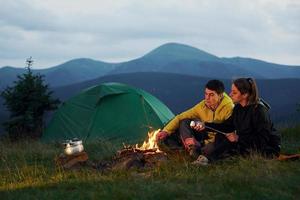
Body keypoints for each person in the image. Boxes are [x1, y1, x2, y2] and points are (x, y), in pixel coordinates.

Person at [193, 77, 281, 165]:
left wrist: (238, 138)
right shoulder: (238, 108)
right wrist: (205, 125)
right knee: (221, 136)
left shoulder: (258, 111)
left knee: (230, 144)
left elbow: (262, 140)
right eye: (231, 91)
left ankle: (208, 160)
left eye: (234, 92)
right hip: (246, 143)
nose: (230, 94)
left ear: (245, 94)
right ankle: (209, 158)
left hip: (266, 148)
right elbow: (227, 126)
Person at [156, 80, 234, 159]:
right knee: (185, 121)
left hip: (218, 140)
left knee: (209, 150)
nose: (207, 98)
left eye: (211, 95)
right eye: (206, 94)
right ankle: (192, 147)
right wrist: (166, 131)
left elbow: (229, 131)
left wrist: (202, 143)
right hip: (204, 134)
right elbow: (181, 117)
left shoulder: (229, 107)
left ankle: (193, 151)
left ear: (220, 96)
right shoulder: (202, 106)